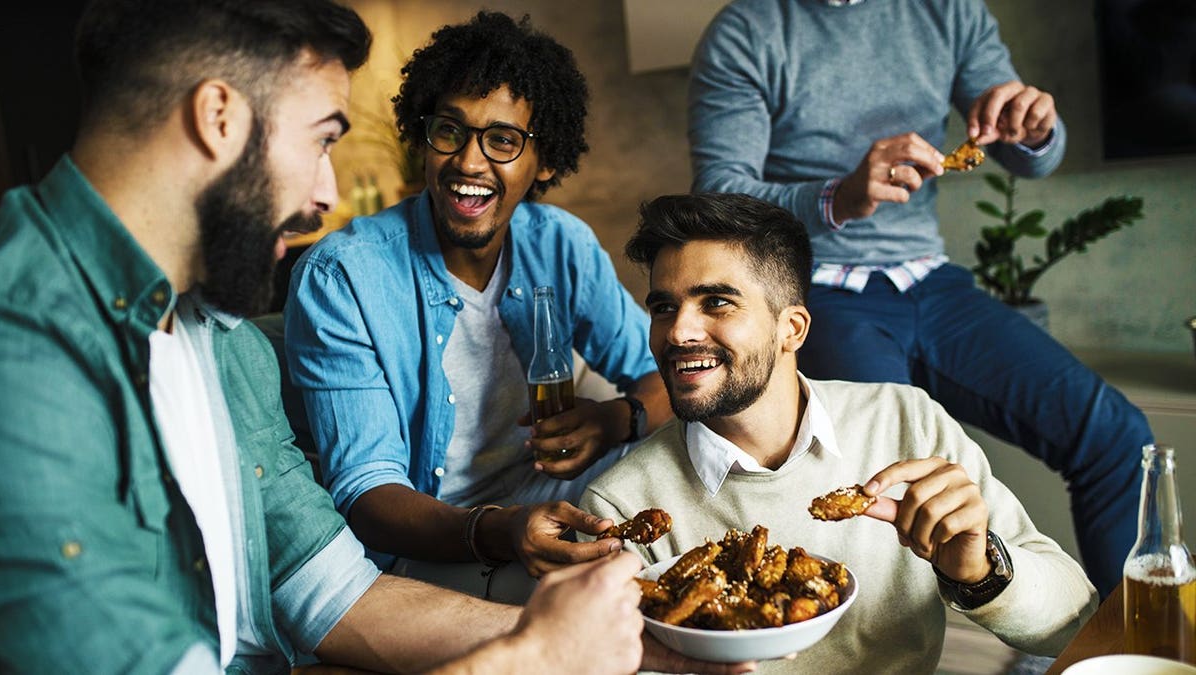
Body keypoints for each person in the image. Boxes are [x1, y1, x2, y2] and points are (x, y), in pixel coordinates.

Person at [0, 2, 720, 673]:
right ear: (218, 118)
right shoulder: (23, 343)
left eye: (501, 140)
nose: (327, 198)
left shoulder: (224, 342)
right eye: (322, 141)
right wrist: (532, 651)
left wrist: (631, 645)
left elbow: (331, 590)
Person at [686, 0, 1151, 598]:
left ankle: (1124, 648)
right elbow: (718, 194)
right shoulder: (748, 30)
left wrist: (1035, 129)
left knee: (1118, 437)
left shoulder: (948, 11)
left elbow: (1030, 150)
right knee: (881, 497)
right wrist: (840, 197)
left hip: (931, 282)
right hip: (820, 288)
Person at [580, 192, 1098, 673]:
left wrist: (979, 569)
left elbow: (1074, 621)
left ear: (793, 329)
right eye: (663, 306)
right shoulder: (621, 505)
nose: (678, 331)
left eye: (716, 302)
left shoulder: (905, 422)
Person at [284, 11, 670, 599]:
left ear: (544, 161)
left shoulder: (560, 244)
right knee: (611, 601)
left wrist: (617, 418)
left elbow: (662, 374)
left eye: (503, 140)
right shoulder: (343, 276)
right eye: (449, 131)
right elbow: (365, 494)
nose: (468, 162)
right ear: (423, 136)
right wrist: (503, 529)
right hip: (431, 546)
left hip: (547, 503)